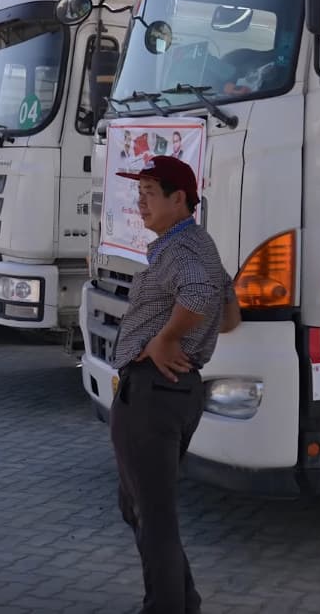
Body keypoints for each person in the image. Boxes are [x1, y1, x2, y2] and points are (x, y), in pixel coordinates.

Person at [108, 155, 241, 614]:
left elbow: (202, 296)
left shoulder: (179, 250)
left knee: (153, 516)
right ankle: (183, 600)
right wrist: (184, 334)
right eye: (137, 192)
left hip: (152, 393)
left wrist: (165, 339)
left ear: (178, 198)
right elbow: (229, 316)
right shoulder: (198, 244)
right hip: (176, 393)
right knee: (139, 506)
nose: (139, 202)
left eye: (148, 193)